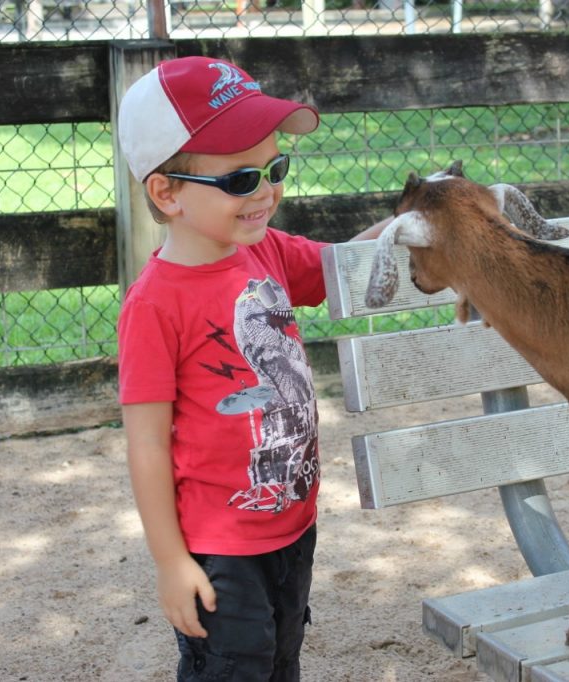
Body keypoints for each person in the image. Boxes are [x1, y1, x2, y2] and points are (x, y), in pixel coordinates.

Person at [115, 56, 387, 681]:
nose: (267, 191)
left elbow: (344, 265)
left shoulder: (263, 248)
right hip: (220, 548)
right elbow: (148, 444)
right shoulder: (156, 303)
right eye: (242, 179)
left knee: (280, 660)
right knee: (235, 668)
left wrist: (413, 224)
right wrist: (169, 560)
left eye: (276, 168)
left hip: (293, 524)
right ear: (167, 192)